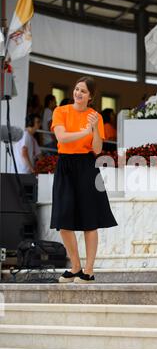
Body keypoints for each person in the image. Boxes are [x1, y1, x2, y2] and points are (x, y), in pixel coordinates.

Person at [50, 76, 117, 283]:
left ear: (91, 96)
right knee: (63, 219)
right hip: (65, 165)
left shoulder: (95, 116)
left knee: (90, 220)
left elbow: (97, 149)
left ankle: (88, 270)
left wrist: (95, 128)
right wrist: (84, 131)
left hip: (87, 166)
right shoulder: (61, 111)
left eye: (83, 91)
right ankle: (75, 265)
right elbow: (61, 137)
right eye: (77, 89)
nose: (78, 93)